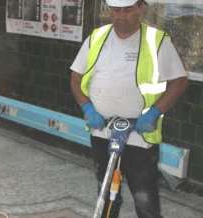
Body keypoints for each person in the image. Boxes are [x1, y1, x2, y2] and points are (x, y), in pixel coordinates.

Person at [70, 0, 188, 217]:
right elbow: (75, 78)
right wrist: (87, 108)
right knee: (105, 192)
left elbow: (179, 81)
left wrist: (154, 112)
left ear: (141, 8)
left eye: (127, 10)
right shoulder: (96, 38)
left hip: (139, 135)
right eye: (116, 10)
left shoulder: (156, 41)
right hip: (102, 130)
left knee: (145, 198)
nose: (121, 16)